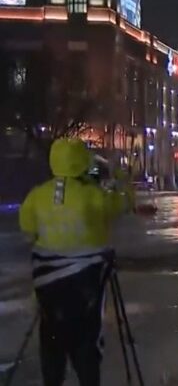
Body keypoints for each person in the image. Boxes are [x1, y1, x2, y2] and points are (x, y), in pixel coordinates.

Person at [19, 138, 132, 386]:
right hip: (86, 292)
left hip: (50, 292)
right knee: (87, 354)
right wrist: (120, 179)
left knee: (51, 354)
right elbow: (123, 204)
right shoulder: (93, 196)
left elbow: (28, 232)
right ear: (82, 162)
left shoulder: (37, 196)